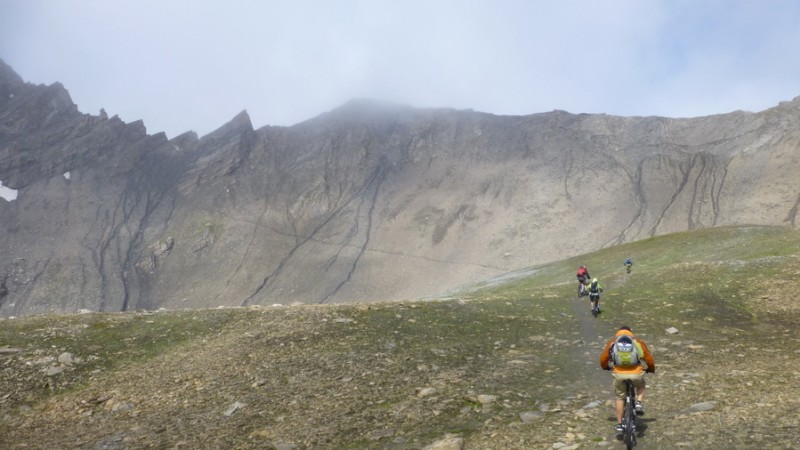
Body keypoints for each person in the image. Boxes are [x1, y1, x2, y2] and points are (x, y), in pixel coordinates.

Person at [599, 325, 656, 434]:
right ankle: (638, 402)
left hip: (619, 374)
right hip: (636, 373)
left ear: (618, 333)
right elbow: (648, 358)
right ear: (631, 333)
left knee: (620, 397)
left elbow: (603, 358)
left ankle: (620, 424)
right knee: (641, 385)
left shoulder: (612, 342)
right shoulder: (638, 342)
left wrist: (605, 367)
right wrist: (651, 369)